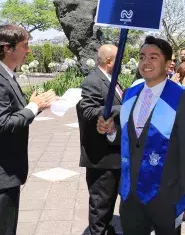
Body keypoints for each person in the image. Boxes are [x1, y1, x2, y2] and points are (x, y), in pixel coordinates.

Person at [116, 36, 185, 235]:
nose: (146, 62)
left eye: (153, 57)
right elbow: (129, 140)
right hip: (131, 193)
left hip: (165, 194)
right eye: (142, 57)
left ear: (169, 64)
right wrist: (111, 132)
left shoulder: (182, 98)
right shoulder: (130, 93)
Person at [0, 24, 57, 235]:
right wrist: (33, 107)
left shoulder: (5, 74)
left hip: (7, 171)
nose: (29, 50)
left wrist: (36, 107)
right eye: (25, 45)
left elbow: (12, 115)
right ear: (7, 48)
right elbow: (3, 123)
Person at [76, 44, 122, 235]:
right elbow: (87, 110)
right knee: (100, 204)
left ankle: (105, 228)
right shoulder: (94, 80)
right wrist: (122, 109)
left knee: (108, 201)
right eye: (119, 59)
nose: (123, 63)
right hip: (100, 157)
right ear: (110, 61)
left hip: (113, 154)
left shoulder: (111, 79)